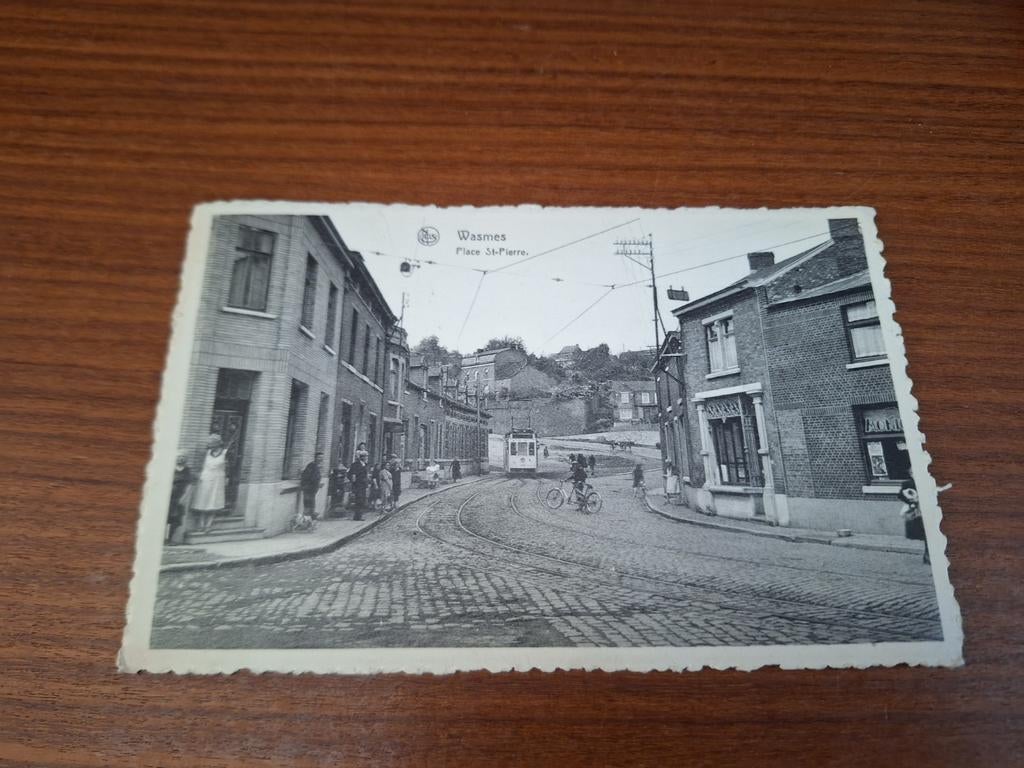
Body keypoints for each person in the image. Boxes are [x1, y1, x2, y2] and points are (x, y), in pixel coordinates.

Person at [193, 434, 227, 532]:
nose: (209, 444)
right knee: (203, 501)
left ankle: (208, 525)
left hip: (218, 480)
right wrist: (199, 476)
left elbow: (226, 467)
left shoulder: (225, 453)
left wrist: (226, 479)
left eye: (211, 442)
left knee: (213, 501)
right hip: (205, 479)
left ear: (217, 443)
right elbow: (201, 465)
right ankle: (201, 524)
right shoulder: (207, 453)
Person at [899, 476, 929, 564]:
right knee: (927, 535)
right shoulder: (908, 483)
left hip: (929, 509)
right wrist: (912, 501)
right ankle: (927, 557)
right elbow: (901, 495)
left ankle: (928, 556)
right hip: (919, 512)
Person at [167, 453, 193, 545]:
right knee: (166, 517)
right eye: (179, 457)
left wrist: (184, 497)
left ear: (185, 459)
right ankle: (162, 539)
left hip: (179, 497)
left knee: (176, 519)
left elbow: (189, 485)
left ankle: (171, 539)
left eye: (183, 457)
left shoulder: (187, 470)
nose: (181, 459)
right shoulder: (170, 468)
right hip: (168, 496)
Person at [300, 452, 323, 521]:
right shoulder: (312, 465)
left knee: (311, 505)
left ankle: (308, 521)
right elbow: (308, 477)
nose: (320, 459)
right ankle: (305, 521)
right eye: (319, 457)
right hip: (309, 489)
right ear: (315, 458)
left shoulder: (316, 466)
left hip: (312, 490)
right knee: (308, 506)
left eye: (321, 458)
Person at [348, 450, 369, 521]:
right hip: (358, 485)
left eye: (366, 456)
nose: (366, 458)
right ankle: (357, 516)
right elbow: (352, 474)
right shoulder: (355, 464)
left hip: (363, 485)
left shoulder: (365, 465)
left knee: (362, 500)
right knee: (359, 500)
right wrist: (354, 481)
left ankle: (359, 516)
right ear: (361, 457)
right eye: (365, 456)